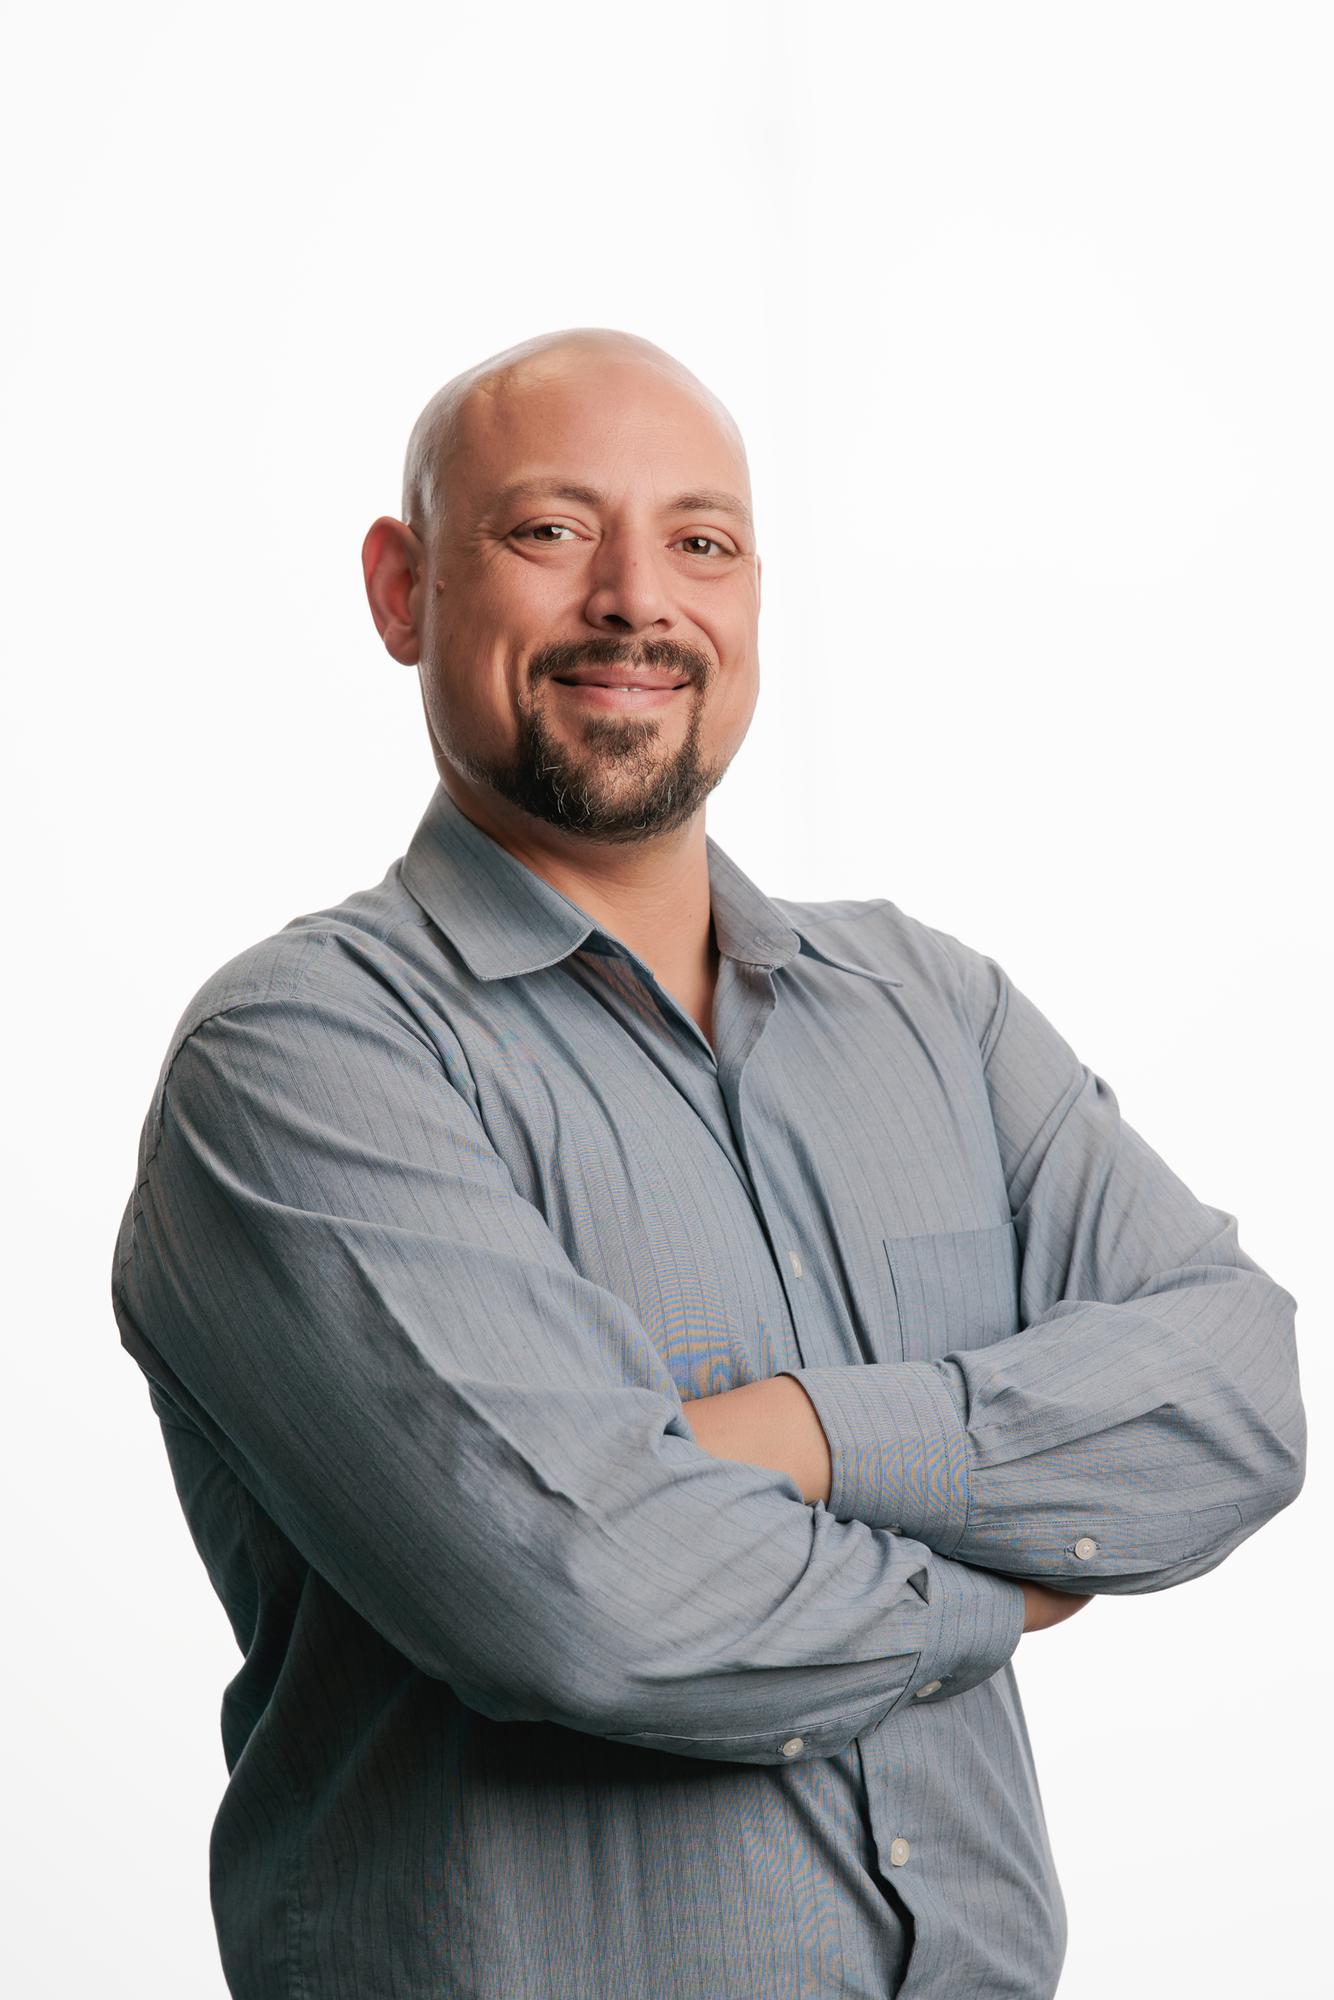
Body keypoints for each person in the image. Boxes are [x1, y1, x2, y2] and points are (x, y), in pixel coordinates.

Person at [111, 326, 1306, 2000]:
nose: (635, 602)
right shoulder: (307, 1056)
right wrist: (1004, 1589)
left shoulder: (929, 1009)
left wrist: (810, 1437)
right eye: (548, 530)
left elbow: (1237, 1394)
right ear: (402, 590)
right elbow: (590, 1602)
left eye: (700, 543)